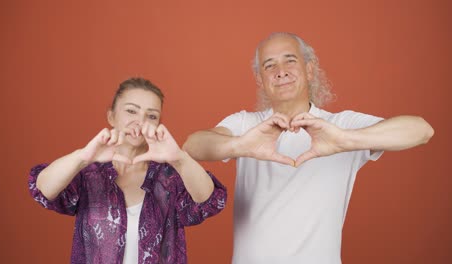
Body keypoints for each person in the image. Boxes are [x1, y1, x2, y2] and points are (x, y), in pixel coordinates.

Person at [183, 32, 434, 264]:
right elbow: (193, 146)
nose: (281, 72)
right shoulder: (246, 124)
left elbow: (421, 130)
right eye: (269, 65)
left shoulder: (340, 125)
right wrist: (240, 145)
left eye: (290, 61)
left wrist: (346, 141)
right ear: (260, 79)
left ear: (310, 69)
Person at [28, 77, 227, 264]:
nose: (140, 121)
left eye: (151, 115)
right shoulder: (89, 175)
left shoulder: (168, 177)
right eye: (131, 111)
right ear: (111, 116)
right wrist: (83, 157)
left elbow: (211, 201)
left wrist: (180, 159)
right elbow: (42, 190)